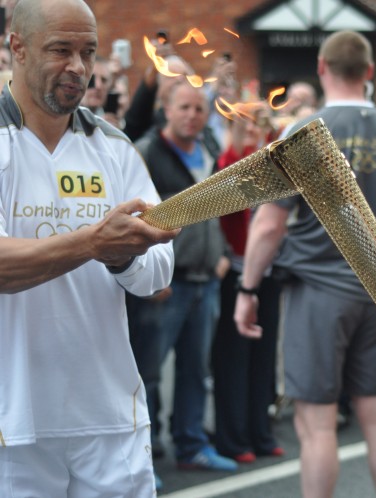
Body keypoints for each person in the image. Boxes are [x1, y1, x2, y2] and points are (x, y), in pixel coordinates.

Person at [0, 0, 178, 494]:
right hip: (13, 424)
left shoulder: (114, 147)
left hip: (110, 418)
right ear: (17, 46)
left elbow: (159, 269)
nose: (78, 68)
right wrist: (96, 242)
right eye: (61, 50)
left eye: (88, 52)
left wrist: (125, 256)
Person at [234, 30, 376, 498]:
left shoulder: (301, 133)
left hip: (316, 291)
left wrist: (248, 289)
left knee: (316, 424)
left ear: (320, 68)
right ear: (370, 72)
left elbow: (269, 226)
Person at [131, 79, 236, 471]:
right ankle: (145, 458)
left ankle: (191, 445)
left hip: (205, 280)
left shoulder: (209, 149)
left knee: (195, 370)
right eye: (184, 107)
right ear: (167, 109)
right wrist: (148, 275)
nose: (192, 115)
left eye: (198, 108)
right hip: (164, 286)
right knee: (149, 374)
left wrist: (223, 254)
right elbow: (138, 219)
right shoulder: (145, 153)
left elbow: (219, 207)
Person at [211, 107, 284, 464]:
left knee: (263, 358)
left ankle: (260, 431)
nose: (254, 130)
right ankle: (233, 437)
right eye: (246, 126)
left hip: (268, 274)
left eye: (258, 125)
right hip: (236, 274)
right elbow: (226, 182)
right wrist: (237, 139)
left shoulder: (270, 163)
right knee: (234, 359)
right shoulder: (229, 161)